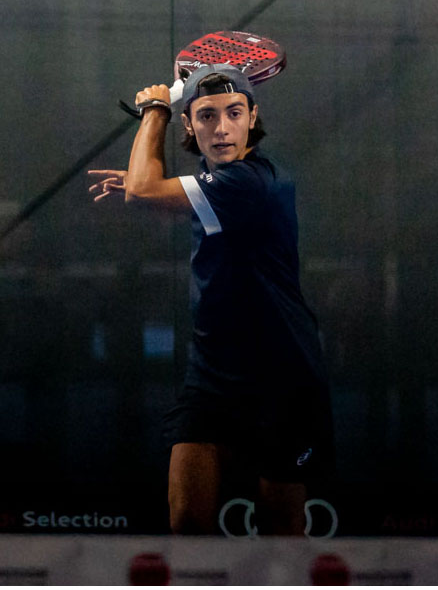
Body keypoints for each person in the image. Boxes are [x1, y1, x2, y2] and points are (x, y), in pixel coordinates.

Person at [89, 64, 333, 535]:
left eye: (234, 113)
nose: (221, 128)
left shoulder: (253, 180)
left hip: (282, 378)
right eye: (206, 116)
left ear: (252, 117)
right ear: (191, 123)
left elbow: (142, 191)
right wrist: (154, 188)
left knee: (282, 536)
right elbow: (156, 192)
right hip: (212, 375)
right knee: (186, 522)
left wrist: (156, 108)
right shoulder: (216, 178)